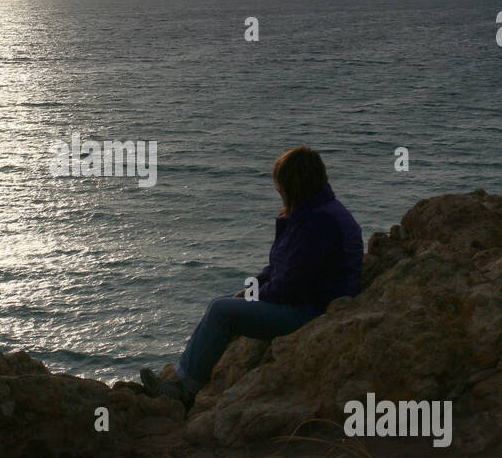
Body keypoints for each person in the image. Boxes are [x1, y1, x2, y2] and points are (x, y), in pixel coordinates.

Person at [141, 146, 363, 408]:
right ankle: (184, 377)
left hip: (314, 313)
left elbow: (292, 285)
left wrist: (256, 294)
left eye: (280, 183)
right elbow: (280, 267)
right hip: (309, 302)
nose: (277, 189)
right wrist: (254, 287)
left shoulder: (318, 223)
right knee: (223, 303)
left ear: (292, 184)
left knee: (222, 311)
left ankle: (184, 390)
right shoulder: (314, 214)